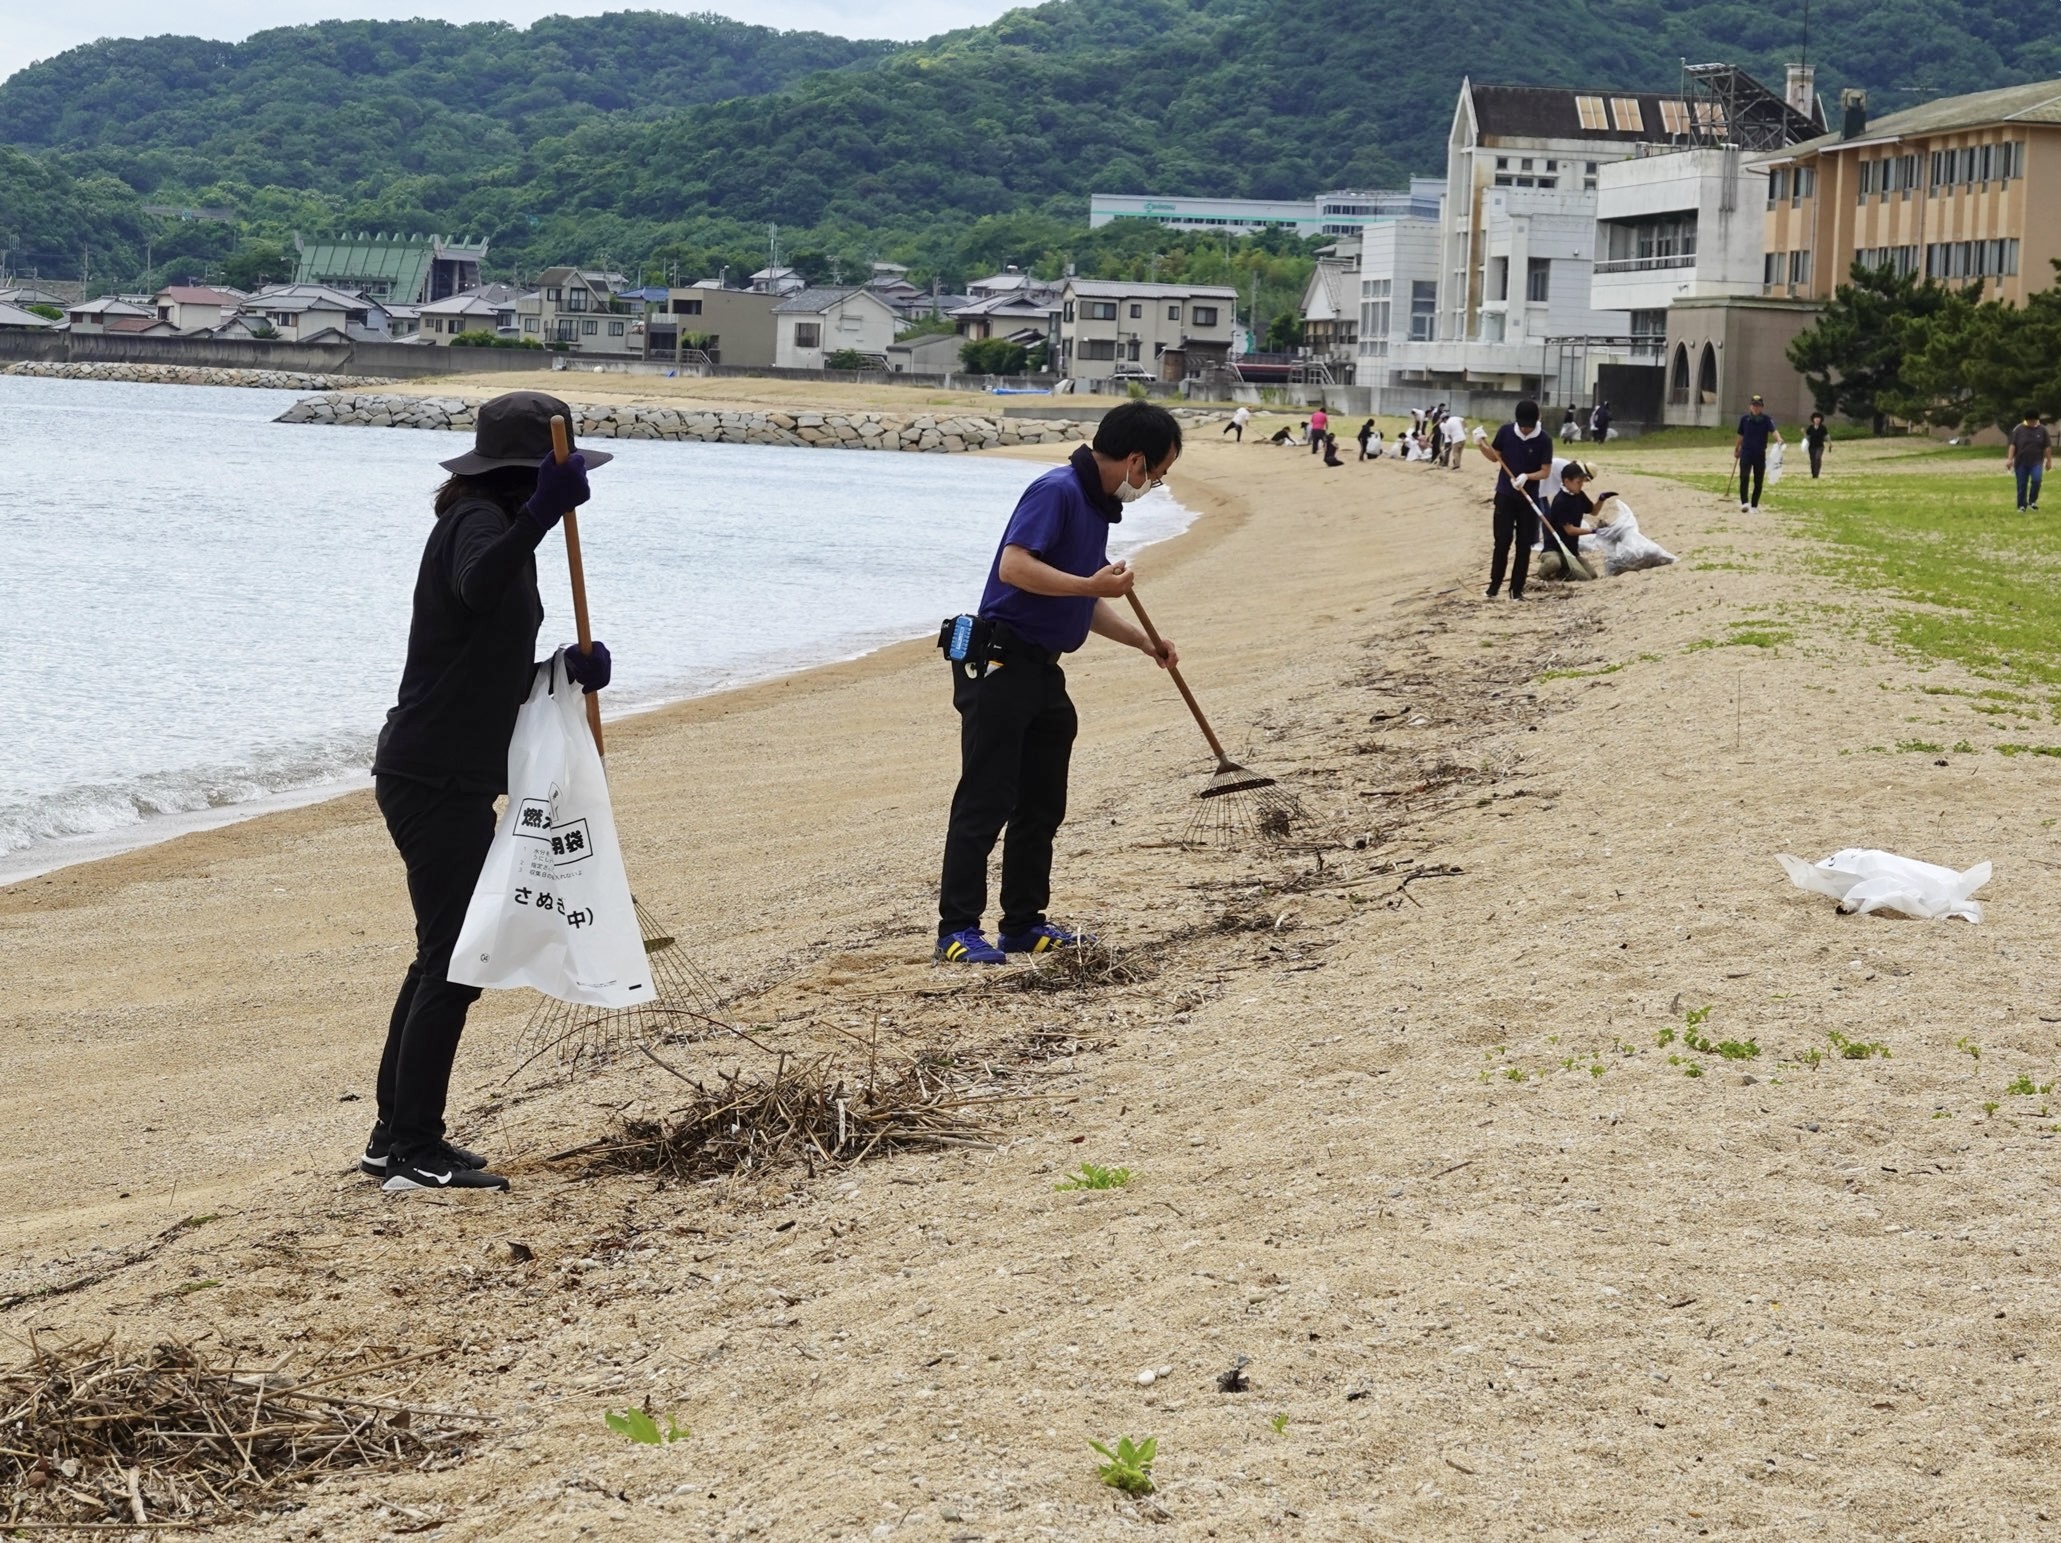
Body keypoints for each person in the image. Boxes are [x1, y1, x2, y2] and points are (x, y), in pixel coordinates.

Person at [367, 391, 615, 1193]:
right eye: (552, 476)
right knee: (455, 958)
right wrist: (541, 513)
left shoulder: (502, 527)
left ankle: (391, 1136)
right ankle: (411, 1147)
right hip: (430, 773)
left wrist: (559, 675)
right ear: (527, 474)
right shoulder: (477, 524)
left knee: (442, 953)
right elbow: (476, 589)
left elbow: (484, 662)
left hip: (454, 769)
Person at [935, 401, 1181, 964]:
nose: (1156, 484)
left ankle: (1023, 924)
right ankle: (956, 931)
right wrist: (1089, 585)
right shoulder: (1058, 490)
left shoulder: (1095, 505)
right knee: (987, 796)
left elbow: (1083, 597)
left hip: (1043, 669)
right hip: (998, 663)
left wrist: (1145, 642)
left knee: (1042, 802)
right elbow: (1015, 568)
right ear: (1135, 460)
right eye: (1158, 473)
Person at [1477, 398, 1555, 601]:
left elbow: (1545, 472)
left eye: (1529, 426)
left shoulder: (1544, 440)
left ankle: (1516, 590)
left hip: (1528, 499)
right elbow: (1495, 457)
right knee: (1502, 541)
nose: (1526, 430)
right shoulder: (1505, 431)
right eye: (1522, 426)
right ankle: (1493, 588)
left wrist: (1527, 476)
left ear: (1538, 419)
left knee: (1523, 545)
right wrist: (1480, 444)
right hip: (1505, 495)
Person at [1539, 459, 1615, 577]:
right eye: (1578, 482)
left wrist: (1601, 499)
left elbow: (1594, 511)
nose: (1582, 485)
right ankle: (1543, 574)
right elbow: (1570, 530)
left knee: (1592, 575)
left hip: (1571, 552)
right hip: (1554, 550)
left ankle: (1563, 572)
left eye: (1582, 482)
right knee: (1554, 563)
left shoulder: (1580, 495)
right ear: (1567, 481)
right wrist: (1594, 531)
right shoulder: (1560, 501)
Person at [1734, 394, 1782, 512]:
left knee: (1758, 480)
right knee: (1744, 477)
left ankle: (1754, 505)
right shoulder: (1744, 419)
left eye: (1758, 406)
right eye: (1754, 405)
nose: (1756, 408)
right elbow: (1740, 435)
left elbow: (1774, 431)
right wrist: (1737, 449)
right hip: (1746, 452)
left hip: (1759, 453)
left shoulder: (1766, 419)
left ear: (1762, 407)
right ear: (1750, 406)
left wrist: (1779, 439)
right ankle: (1745, 502)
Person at [2008, 408, 2051, 511]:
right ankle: (2022, 505)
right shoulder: (2018, 429)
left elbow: (2047, 447)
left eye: (2033, 421)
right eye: (2029, 421)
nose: (2031, 423)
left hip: (2036, 462)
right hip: (2021, 462)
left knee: (2037, 480)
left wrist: (2049, 461)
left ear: (2037, 420)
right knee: (2022, 484)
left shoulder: (2043, 430)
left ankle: (2032, 501)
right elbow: (2012, 445)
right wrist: (2009, 459)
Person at [1805, 412, 1830, 479]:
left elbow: (1826, 436)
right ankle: (1814, 475)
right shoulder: (1810, 428)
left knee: (1817, 458)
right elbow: (1807, 437)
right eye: (1816, 418)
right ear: (1813, 419)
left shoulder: (1823, 428)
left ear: (1821, 420)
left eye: (1818, 418)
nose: (1817, 420)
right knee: (1813, 461)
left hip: (1820, 446)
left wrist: (1830, 443)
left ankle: (1817, 473)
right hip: (1811, 447)